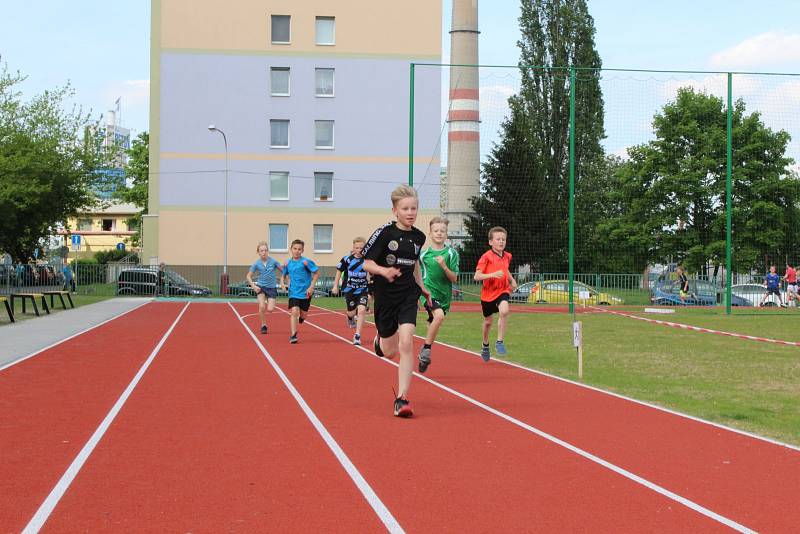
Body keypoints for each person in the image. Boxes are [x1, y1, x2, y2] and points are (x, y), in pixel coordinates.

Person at [363, 184, 431, 418]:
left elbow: (414, 266)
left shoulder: (419, 237)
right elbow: (366, 263)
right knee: (389, 351)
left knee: (406, 342)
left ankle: (401, 398)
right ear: (395, 211)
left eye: (414, 208)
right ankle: (379, 342)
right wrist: (384, 271)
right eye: (405, 208)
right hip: (385, 297)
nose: (410, 212)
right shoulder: (384, 233)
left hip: (407, 295)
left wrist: (422, 287)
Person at [417, 217, 460, 374]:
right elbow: (416, 273)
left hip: (444, 295)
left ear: (446, 234)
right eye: (436, 230)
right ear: (430, 233)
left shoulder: (451, 253)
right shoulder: (423, 255)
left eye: (442, 231)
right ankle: (426, 350)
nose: (439, 233)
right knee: (439, 316)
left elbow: (454, 278)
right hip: (428, 292)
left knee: (433, 323)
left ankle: (423, 355)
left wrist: (444, 266)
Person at [474, 226, 517, 362]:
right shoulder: (486, 257)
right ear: (491, 242)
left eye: (503, 239)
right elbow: (476, 276)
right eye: (498, 239)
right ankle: (485, 344)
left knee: (504, 311)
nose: (501, 242)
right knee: (488, 322)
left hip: (502, 291)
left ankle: (499, 341)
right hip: (487, 295)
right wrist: (492, 274)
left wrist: (512, 280)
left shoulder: (507, 256)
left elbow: (505, 269)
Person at [331, 237, 370, 345]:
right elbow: (339, 272)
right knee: (351, 312)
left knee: (362, 310)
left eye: (361, 248)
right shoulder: (347, 259)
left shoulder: (368, 260)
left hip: (363, 289)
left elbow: (371, 272)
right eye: (357, 248)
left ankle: (357, 336)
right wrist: (335, 286)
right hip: (350, 290)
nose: (359, 250)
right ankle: (350, 317)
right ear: (353, 248)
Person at [282, 239, 320, 344]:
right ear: (291, 249)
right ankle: (293, 335)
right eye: (295, 249)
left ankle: (302, 318)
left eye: (299, 249)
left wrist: (311, 286)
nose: (297, 251)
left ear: (302, 250)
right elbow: (283, 274)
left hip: (305, 292)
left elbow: (316, 273)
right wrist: (282, 283)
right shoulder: (287, 263)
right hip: (293, 292)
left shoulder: (306, 262)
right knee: (294, 311)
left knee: (303, 315)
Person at [246, 241, 283, 334]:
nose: (264, 252)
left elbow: (284, 271)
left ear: (268, 251)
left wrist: (283, 282)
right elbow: (248, 276)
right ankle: (263, 325)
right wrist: (254, 286)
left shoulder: (273, 262)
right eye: (261, 250)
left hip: (271, 288)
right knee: (262, 306)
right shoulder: (256, 264)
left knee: (270, 310)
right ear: (258, 252)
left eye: (265, 250)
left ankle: (268, 300)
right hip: (261, 287)